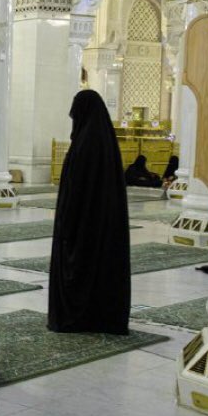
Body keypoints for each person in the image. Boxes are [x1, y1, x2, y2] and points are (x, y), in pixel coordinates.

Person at [49, 90, 130, 335]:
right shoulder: (106, 145)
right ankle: (101, 316)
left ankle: (79, 316)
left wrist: (66, 225)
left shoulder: (83, 148)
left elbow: (76, 194)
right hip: (104, 229)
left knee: (81, 272)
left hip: (81, 230)